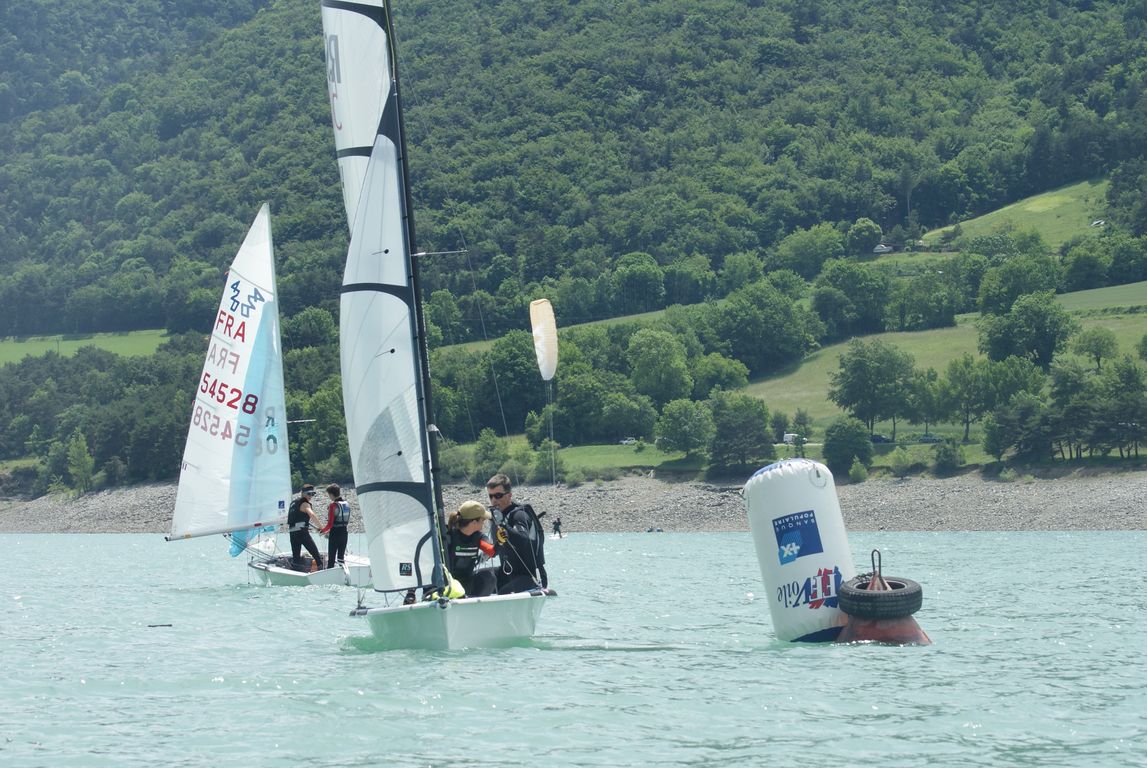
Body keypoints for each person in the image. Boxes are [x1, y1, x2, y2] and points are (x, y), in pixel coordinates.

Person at [486, 473, 547, 593]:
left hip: (529, 576)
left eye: (498, 495)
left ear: (509, 495)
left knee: (504, 592)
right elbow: (497, 550)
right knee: (476, 579)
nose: (494, 500)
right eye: (491, 496)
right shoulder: (497, 517)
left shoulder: (519, 515)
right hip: (507, 572)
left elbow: (523, 540)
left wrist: (504, 525)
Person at [444, 500, 497, 598]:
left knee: (489, 577)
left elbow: (492, 552)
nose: (484, 523)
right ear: (474, 522)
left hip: (466, 584)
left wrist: (500, 542)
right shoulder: (448, 535)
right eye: (482, 520)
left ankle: (473, 604)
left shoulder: (479, 537)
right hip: (448, 586)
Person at [286, 483, 324, 572]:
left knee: (296, 557)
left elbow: (297, 517)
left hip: (293, 532)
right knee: (315, 554)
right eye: (308, 494)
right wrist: (321, 527)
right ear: (302, 493)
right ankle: (322, 570)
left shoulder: (293, 503)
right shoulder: (305, 504)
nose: (310, 496)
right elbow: (312, 515)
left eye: (312, 494)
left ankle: (295, 572)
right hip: (302, 533)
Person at [320, 483, 351, 568]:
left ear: (331, 494)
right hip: (344, 533)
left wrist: (322, 530)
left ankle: (329, 574)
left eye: (329, 495)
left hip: (335, 534)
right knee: (341, 559)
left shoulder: (333, 505)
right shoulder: (346, 504)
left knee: (331, 559)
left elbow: (330, 524)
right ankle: (342, 573)